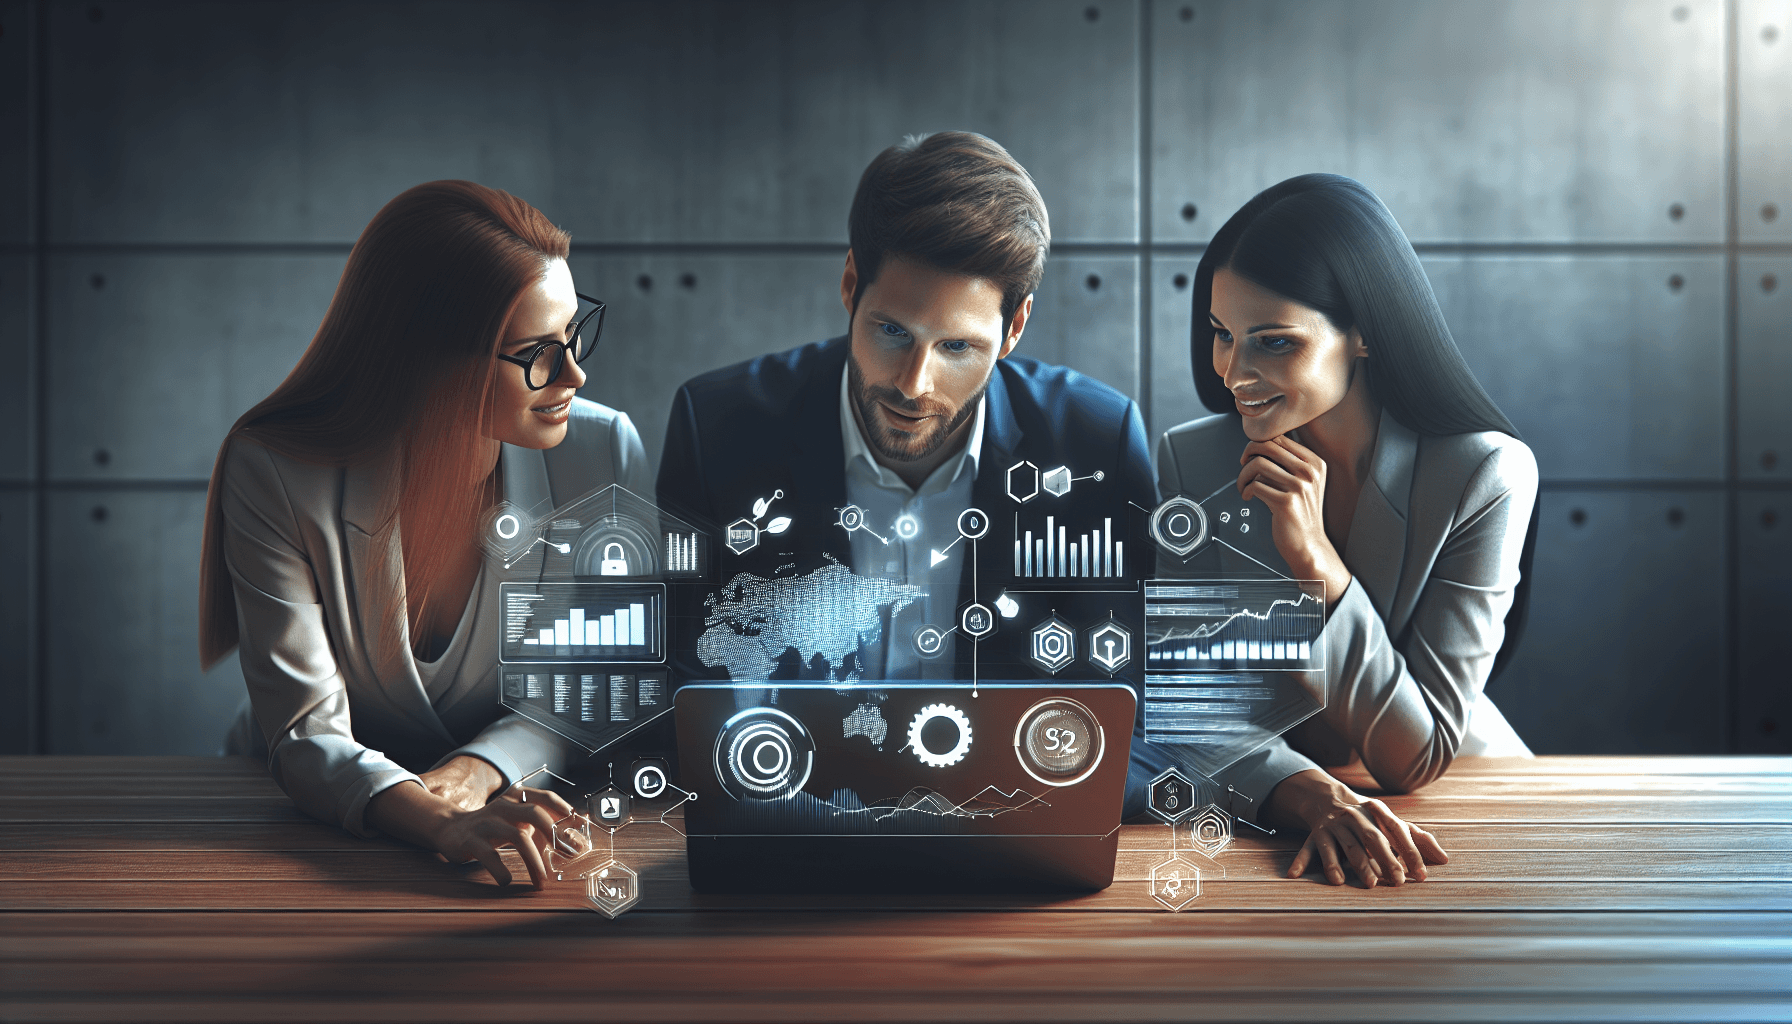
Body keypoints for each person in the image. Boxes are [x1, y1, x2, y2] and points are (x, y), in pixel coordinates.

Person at [198, 181, 652, 888]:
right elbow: (307, 731)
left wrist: (478, 773)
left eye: (573, 335)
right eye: (538, 351)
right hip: (293, 826)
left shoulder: (604, 452)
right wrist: (438, 819)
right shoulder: (275, 469)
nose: (574, 373)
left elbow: (595, 682)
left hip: (512, 806)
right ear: (427, 360)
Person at [1154, 173, 1539, 889]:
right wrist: (1302, 792)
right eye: (1222, 335)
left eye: (1273, 342)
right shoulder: (1192, 460)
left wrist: (1319, 567)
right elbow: (1185, 705)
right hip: (1280, 810)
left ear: (1363, 333)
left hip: (1459, 812)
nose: (1235, 373)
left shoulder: (1484, 475)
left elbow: (1412, 760)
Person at [656, 131, 1154, 684]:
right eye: (893, 331)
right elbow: (675, 681)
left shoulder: (1096, 445)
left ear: (1014, 327)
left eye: (957, 347)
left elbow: (1135, 707)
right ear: (850, 285)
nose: (914, 385)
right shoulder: (719, 431)